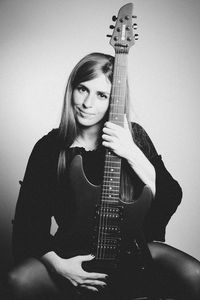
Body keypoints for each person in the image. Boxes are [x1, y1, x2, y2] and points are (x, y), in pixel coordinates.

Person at [6, 52, 200, 300]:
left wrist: (131, 152)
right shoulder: (50, 147)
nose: (88, 103)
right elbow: (28, 224)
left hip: (131, 251)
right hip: (72, 255)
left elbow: (169, 197)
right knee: (18, 281)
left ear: (113, 100)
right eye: (82, 89)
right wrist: (60, 266)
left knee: (194, 274)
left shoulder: (134, 137)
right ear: (71, 90)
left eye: (101, 95)